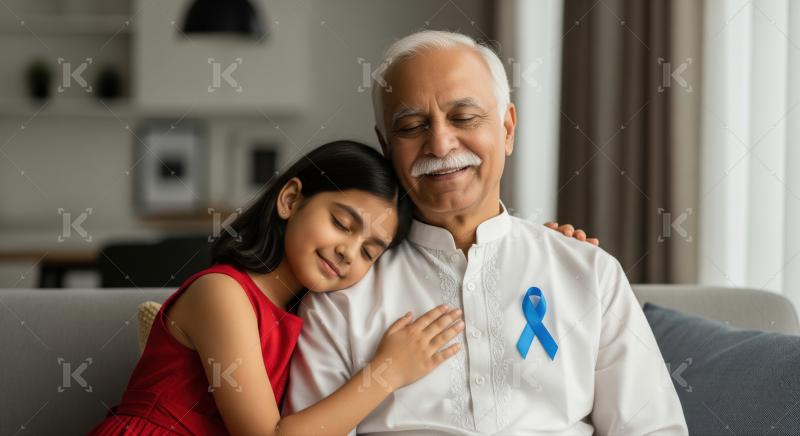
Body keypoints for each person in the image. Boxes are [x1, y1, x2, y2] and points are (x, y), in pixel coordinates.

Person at [285, 31, 689, 435]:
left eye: (463, 118)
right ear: (386, 146)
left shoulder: (589, 272)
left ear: (507, 128)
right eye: (411, 126)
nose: (440, 145)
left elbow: (652, 428)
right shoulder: (339, 297)